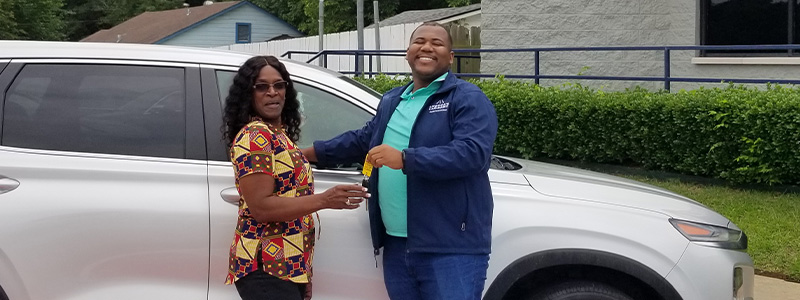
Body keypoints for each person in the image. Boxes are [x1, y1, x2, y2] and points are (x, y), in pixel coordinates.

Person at [302, 22, 498, 300]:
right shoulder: (394, 99)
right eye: (419, 41)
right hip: (397, 244)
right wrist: (303, 155)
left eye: (437, 43)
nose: (427, 47)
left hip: (450, 247)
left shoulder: (467, 99)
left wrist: (405, 159)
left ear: (451, 57)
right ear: (408, 53)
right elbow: (362, 140)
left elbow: (472, 154)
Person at [222, 55, 369, 300]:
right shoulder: (254, 136)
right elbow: (261, 207)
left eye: (279, 85)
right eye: (262, 86)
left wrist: (303, 271)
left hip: (287, 266)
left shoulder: (277, 135)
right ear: (248, 93)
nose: (272, 92)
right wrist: (324, 200)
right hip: (266, 267)